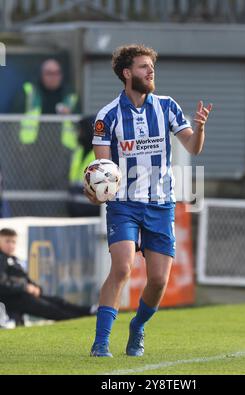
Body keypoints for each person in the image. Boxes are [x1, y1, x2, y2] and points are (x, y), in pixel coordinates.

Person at [85, 44, 212, 357]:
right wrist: (96, 191)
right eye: (143, 67)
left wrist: (200, 129)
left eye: (151, 66)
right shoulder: (107, 116)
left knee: (157, 281)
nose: (150, 71)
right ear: (127, 74)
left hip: (160, 204)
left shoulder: (167, 106)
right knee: (123, 268)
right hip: (124, 205)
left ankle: (137, 327)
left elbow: (193, 148)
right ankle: (101, 342)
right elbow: (103, 170)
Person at [10, 59, 80, 193]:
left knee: (58, 187)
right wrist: (17, 146)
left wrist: (70, 114)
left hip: (61, 150)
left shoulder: (70, 95)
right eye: (49, 73)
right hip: (31, 149)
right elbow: (13, 122)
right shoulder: (29, 91)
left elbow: (80, 122)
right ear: (41, 74)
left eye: (57, 73)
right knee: (31, 186)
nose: (53, 77)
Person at [0, 228, 96, 324]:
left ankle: (90, 311)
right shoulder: (2, 259)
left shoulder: (14, 259)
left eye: (13, 242)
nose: (11, 245)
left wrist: (35, 287)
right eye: (7, 241)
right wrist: (25, 287)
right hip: (12, 299)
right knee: (51, 309)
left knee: (58, 301)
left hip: (22, 295)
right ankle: (79, 320)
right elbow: (2, 284)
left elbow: (25, 278)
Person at [68, 115, 99, 217]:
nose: (79, 133)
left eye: (81, 130)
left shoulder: (100, 154)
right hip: (75, 208)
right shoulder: (79, 151)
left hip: (93, 211)